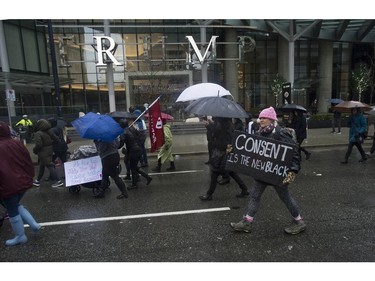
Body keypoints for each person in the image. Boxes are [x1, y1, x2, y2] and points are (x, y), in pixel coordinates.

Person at [230, 106, 306, 235]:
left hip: (277, 174)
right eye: (260, 117)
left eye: (264, 117)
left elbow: (294, 153)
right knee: (254, 196)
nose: (260, 120)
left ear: (271, 119)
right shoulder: (259, 133)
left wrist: (292, 171)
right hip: (262, 172)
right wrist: (235, 150)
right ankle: (247, 222)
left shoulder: (281, 133)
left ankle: (299, 222)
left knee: (285, 198)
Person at [0, 121, 41, 246]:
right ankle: (34, 225)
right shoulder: (17, 144)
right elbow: (27, 161)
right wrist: (30, 176)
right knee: (14, 205)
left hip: (6, 184)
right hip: (22, 181)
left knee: (12, 209)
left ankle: (20, 236)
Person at [199, 117, 249, 201]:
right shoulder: (228, 124)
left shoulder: (220, 124)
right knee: (231, 172)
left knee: (215, 173)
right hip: (226, 151)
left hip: (222, 152)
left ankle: (209, 194)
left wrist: (208, 126)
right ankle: (244, 189)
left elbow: (215, 134)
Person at [119, 119, 152, 189]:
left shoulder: (123, 132)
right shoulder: (131, 129)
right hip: (138, 149)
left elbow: (120, 144)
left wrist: (115, 144)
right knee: (135, 167)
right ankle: (148, 177)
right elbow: (139, 134)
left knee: (133, 168)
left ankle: (134, 185)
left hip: (133, 151)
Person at [32, 119, 64, 188]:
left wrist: (34, 150)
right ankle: (37, 180)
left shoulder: (38, 133)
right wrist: (50, 144)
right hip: (49, 150)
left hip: (43, 152)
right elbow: (57, 139)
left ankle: (58, 181)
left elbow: (39, 144)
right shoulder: (49, 131)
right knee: (42, 165)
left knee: (49, 165)